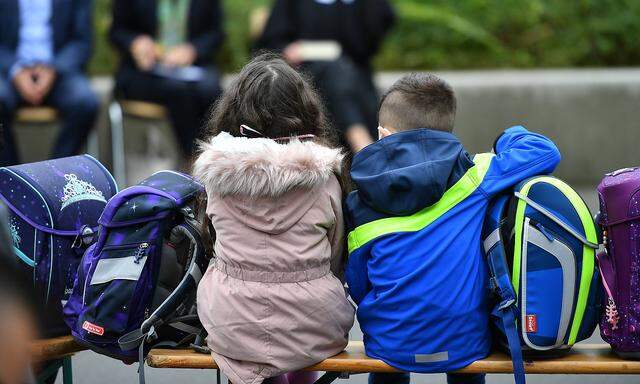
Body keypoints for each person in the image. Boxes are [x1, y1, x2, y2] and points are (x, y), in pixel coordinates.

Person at [345, 74, 561, 384]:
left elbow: (358, 282)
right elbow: (545, 151)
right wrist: (505, 137)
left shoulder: (359, 201)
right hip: (465, 341)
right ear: (447, 132)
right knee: (466, 354)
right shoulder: (476, 176)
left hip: (391, 343)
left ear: (382, 134)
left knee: (389, 352)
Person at [193, 54, 355, 384]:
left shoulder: (216, 180)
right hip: (314, 324)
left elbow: (211, 245)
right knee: (302, 336)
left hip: (232, 324)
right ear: (306, 112)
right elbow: (336, 257)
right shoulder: (325, 180)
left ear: (234, 114)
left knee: (248, 344)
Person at [255, 0, 395, 153]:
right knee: (333, 72)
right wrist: (289, 50)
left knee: (339, 73)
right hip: (306, 76)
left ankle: (358, 146)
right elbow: (271, 44)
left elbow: (372, 36)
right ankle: (364, 146)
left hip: (355, 75)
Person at [109, 0, 224, 160]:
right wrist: (135, 43)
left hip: (194, 69)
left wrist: (193, 50)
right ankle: (192, 159)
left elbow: (216, 34)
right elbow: (117, 32)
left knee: (211, 90)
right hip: (144, 73)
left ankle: (211, 157)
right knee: (178, 91)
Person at [0, 0, 99, 166]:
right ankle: (11, 179)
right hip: (8, 72)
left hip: (59, 72)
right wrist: (15, 69)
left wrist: (54, 69)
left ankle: (55, 174)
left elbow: (83, 42)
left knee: (85, 102)